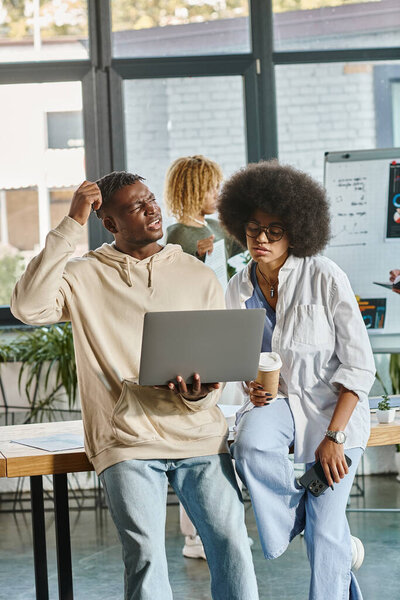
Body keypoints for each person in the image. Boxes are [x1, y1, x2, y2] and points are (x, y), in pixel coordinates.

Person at [11, 172, 259, 600]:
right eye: (135, 206)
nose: (152, 209)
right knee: (145, 556)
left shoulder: (197, 276)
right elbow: (28, 306)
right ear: (108, 223)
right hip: (127, 439)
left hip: (198, 432)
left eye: (151, 200)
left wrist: (203, 394)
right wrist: (71, 222)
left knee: (232, 543)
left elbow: (218, 360)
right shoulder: (82, 276)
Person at [218, 160, 376, 600]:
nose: (261, 240)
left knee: (327, 530)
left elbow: (360, 365)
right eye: (253, 230)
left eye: (274, 230)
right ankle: (301, 520)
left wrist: (336, 437)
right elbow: (241, 359)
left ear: (297, 230)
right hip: (277, 405)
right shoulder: (237, 287)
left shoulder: (324, 275)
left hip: (334, 409)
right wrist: (248, 380)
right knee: (249, 445)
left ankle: (325, 538)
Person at [164, 155, 244, 559]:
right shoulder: (177, 234)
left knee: (218, 436)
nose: (218, 194)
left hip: (217, 329)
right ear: (195, 190)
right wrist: (197, 258)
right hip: (194, 339)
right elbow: (171, 289)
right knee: (193, 440)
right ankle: (193, 535)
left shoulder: (217, 228)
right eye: (212, 188)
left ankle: (214, 529)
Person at [165, 155, 242, 264]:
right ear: (191, 191)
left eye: (216, 187)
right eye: (210, 188)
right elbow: (175, 274)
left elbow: (247, 242)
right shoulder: (178, 234)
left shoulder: (215, 225)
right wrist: (199, 256)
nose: (216, 195)